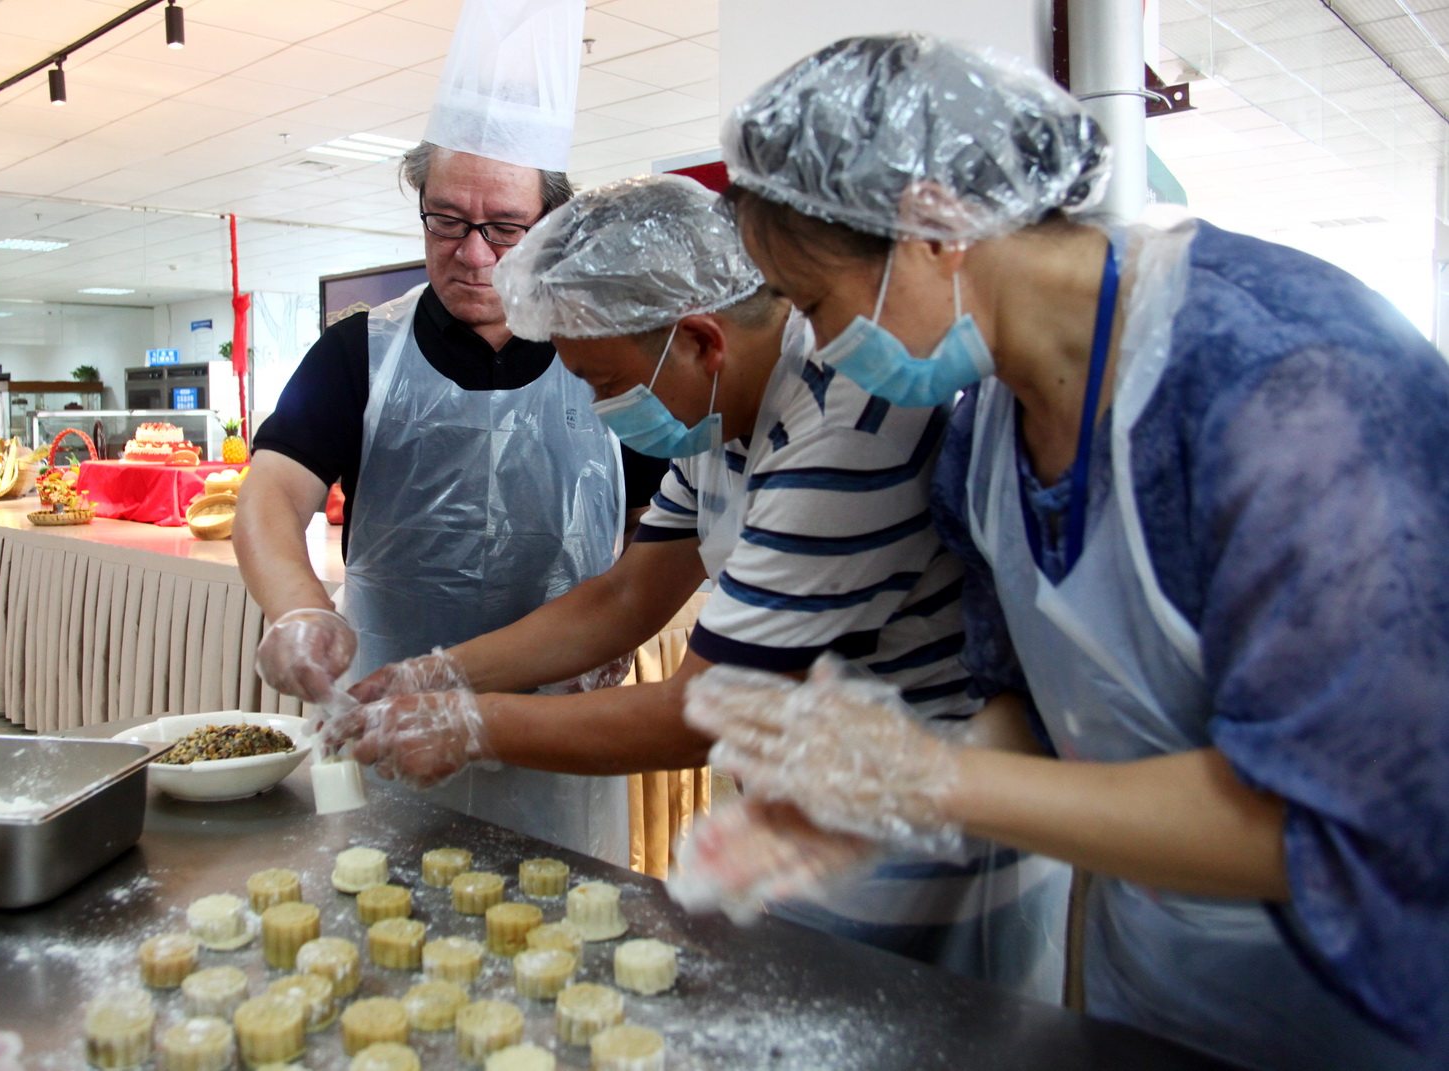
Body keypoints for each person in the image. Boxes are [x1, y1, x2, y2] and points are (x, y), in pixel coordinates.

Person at [680, 32, 1449, 1071]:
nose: (818, 345)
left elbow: (1343, 813)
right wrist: (872, 805)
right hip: (1151, 993)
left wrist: (929, 783)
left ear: (933, 227)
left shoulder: (1286, 384)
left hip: (1359, 1013)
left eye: (816, 304)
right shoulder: (987, 430)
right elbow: (1040, 712)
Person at [317, 173, 1067, 998]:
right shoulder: (722, 415)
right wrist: (437, 670)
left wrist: (469, 722)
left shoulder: (848, 419)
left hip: (922, 843)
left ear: (702, 341)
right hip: (807, 813)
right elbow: (625, 596)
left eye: (605, 383)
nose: (600, 409)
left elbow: (702, 709)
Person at [237, 142, 666, 866]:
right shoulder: (358, 352)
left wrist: (619, 623)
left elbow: (651, 517)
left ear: (550, 224)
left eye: (504, 228)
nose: (473, 253)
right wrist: (298, 609)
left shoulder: (607, 353)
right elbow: (272, 490)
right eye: (446, 221)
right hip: (388, 724)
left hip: (558, 729)